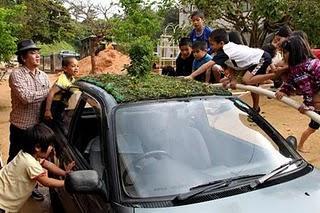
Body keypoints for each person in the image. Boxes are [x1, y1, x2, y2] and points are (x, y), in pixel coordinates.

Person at [186, 28, 275, 112]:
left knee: (247, 80)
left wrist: (191, 76)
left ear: (221, 43)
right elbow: (230, 65)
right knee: (225, 82)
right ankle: (256, 108)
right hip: (250, 63)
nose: (211, 47)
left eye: (212, 44)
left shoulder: (225, 52)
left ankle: (275, 75)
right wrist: (233, 79)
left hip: (261, 58)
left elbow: (206, 65)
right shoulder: (227, 49)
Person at [8, 39, 50, 200]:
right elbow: (25, 97)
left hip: (37, 126)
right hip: (21, 125)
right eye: (33, 53)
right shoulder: (16, 75)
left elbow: (45, 100)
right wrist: (48, 93)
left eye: (37, 52)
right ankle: (10, 189)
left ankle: (31, 188)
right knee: (15, 159)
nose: (37, 55)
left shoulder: (44, 76)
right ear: (23, 58)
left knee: (34, 159)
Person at [0, 123, 75, 212]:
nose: (51, 148)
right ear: (38, 147)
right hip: (3, 204)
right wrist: (66, 183)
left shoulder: (27, 155)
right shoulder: (30, 163)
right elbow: (46, 182)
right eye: (50, 145)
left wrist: (64, 173)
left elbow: (47, 164)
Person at [275, 36, 320, 152]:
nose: (283, 56)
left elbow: (307, 89)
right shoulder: (297, 68)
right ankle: (300, 145)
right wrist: (283, 90)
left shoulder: (304, 67)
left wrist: (307, 104)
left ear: (294, 52)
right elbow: (290, 82)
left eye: (285, 52)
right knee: (313, 126)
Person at [44, 56, 79, 121]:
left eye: (77, 66)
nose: (76, 68)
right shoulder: (63, 79)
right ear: (65, 69)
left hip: (61, 105)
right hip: (54, 105)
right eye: (73, 66)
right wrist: (47, 110)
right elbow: (51, 93)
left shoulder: (72, 79)